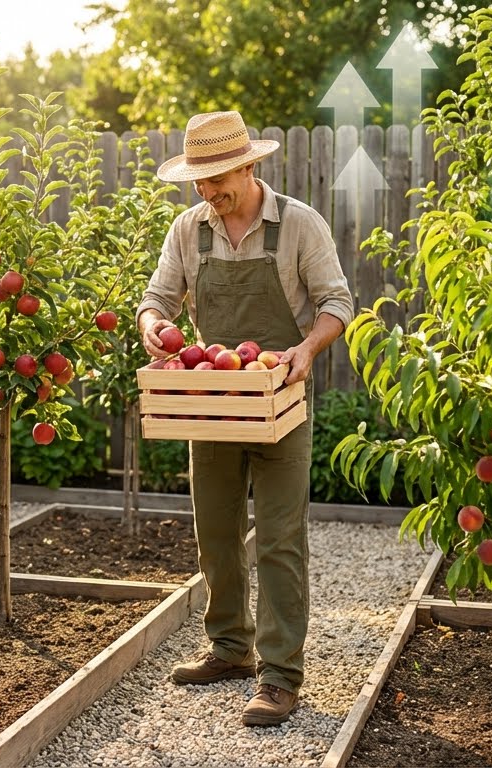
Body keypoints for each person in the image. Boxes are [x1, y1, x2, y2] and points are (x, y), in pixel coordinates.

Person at [136, 110, 354, 727]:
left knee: (281, 540)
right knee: (217, 533)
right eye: (199, 181)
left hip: (279, 399)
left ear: (249, 165)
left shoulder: (297, 225)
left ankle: (280, 675)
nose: (208, 192)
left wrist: (305, 351)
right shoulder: (189, 229)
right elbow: (156, 300)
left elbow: (338, 301)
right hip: (214, 399)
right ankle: (230, 647)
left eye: (218, 178)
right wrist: (154, 328)